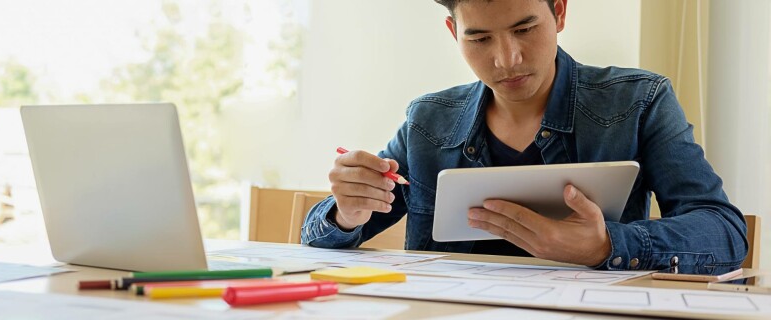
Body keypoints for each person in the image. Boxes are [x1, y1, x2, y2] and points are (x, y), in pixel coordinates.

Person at [301, 0, 747, 271]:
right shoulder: (428, 122)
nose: (506, 59)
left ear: (560, 12)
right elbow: (321, 242)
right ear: (454, 33)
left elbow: (724, 231)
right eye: (480, 39)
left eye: (524, 29)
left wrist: (608, 244)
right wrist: (347, 213)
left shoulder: (638, 101)